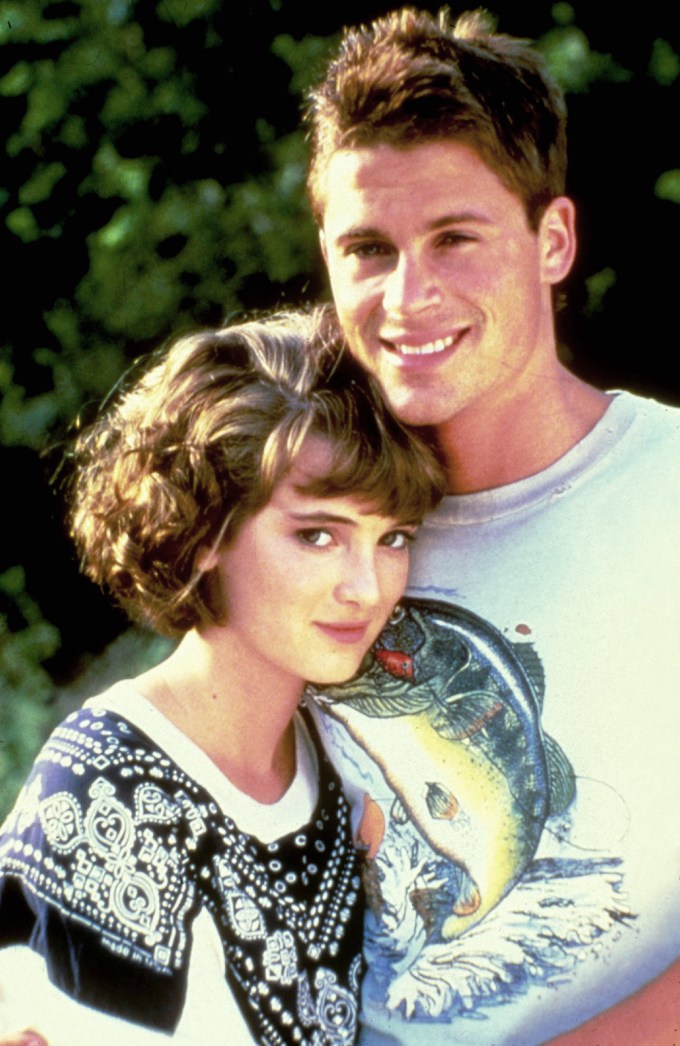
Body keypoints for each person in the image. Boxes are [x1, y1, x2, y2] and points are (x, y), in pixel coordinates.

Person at [302, 7, 680, 1045]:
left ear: (550, 239)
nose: (406, 295)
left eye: (454, 239)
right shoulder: (295, 527)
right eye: (367, 248)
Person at [0, 309, 445, 1045]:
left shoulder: (336, 762)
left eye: (392, 538)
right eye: (318, 534)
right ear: (207, 531)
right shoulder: (106, 790)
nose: (367, 587)